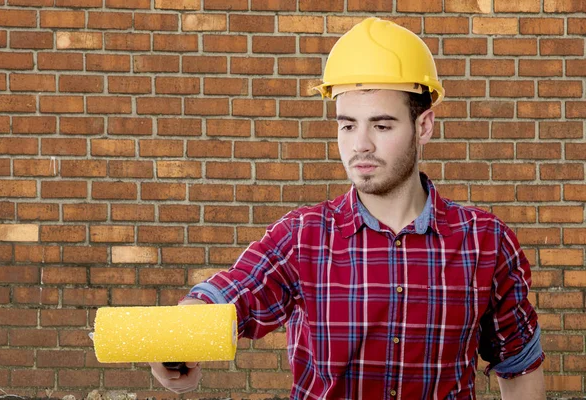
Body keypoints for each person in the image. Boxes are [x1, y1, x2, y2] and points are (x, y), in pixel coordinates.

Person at [150, 17, 546, 399]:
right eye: (347, 125)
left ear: (423, 126)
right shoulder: (304, 236)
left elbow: (519, 363)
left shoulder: (485, 241)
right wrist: (181, 337)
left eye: (382, 125)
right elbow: (233, 291)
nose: (360, 145)